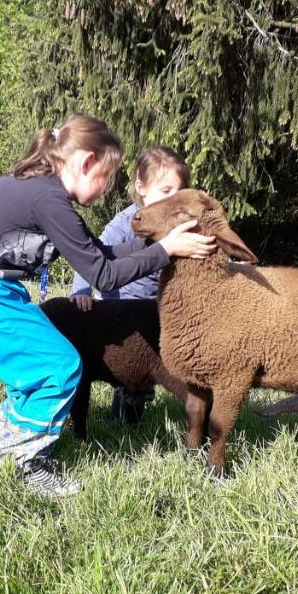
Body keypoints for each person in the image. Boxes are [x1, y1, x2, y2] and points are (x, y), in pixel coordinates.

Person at [0, 115, 215, 497]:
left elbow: (102, 253)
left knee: (39, 363)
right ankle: (25, 465)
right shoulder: (49, 198)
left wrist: (157, 244)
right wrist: (164, 251)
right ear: (86, 162)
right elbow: (104, 276)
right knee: (58, 364)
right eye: (106, 177)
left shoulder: (45, 194)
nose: (108, 187)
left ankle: (12, 449)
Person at [70, 147, 191, 425]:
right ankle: (125, 411)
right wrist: (81, 289)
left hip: (157, 308)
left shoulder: (180, 222)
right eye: (165, 190)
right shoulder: (126, 222)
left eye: (178, 191)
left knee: (154, 364)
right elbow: (91, 254)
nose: (172, 199)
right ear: (142, 187)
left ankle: (140, 408)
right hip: (122, 310)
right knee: (128, 365)